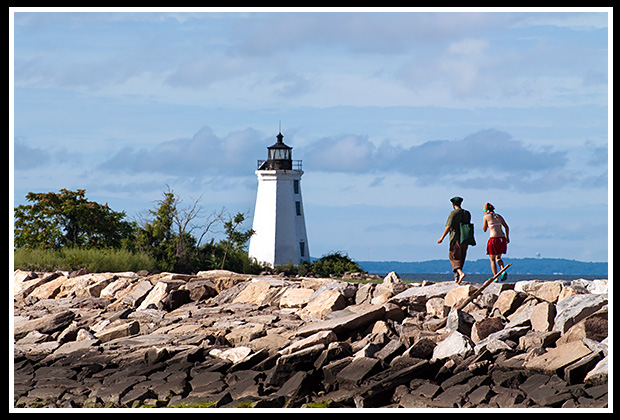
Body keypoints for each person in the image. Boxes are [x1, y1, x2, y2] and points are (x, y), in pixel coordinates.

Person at [437, 196, 471, 284]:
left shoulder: (453, 213)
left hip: (455, 238)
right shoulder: (467, 213)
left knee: (453, 256)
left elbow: (448, 226)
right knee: (461, 257)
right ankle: (456, 278)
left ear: (453, 204)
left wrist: (442, 237)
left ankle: (460, 273)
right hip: (465, 239)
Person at [482, 203, 510, 281]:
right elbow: (506, 227)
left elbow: (484, 229)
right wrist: (507, 237)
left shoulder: (486, 217)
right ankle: (503, 270)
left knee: (492, 259)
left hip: (493, 238)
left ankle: (495, 277)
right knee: (498, 257)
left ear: (486, 210)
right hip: (502, 238)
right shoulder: (498, 216)